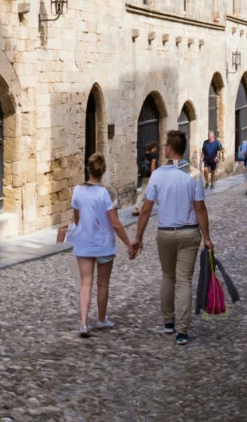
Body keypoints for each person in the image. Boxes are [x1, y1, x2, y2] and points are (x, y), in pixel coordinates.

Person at [130, 130, 212, 346]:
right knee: (184, 280)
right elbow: (200, 208)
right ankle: (182, 331)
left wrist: (138, 237)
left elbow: (146, 209)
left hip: (165, 233)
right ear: (182, 149)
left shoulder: (157, 175)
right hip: (188, 232)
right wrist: (207, 238)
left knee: (168, 276)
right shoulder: (193, 175)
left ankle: (168, 321)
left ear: (169, 148)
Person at [60, 153, 134, 337]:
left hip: (85, 242)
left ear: (88, 169)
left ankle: (83, 323)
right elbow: (115, 223)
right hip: (104, 244)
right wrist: (128, 243)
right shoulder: (107, 193)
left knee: (86, 283)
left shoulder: (77, 190)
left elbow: (77, 218)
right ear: (103, 171)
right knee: (103, 284)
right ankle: (101, 319)